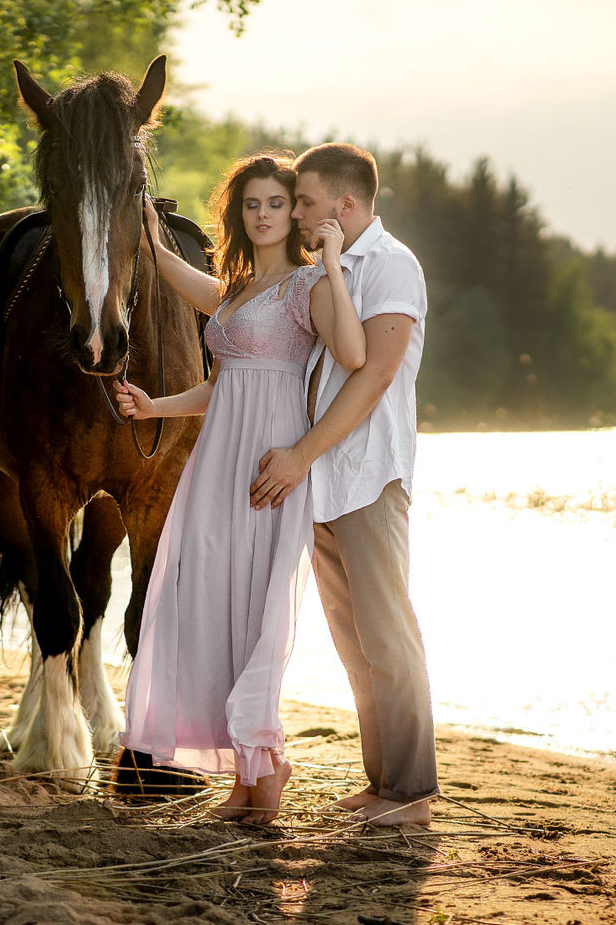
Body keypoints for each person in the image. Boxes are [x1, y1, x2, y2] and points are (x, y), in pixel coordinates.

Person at [115, 153, 365, 824]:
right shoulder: (235, 291)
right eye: (250, 204)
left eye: (274, 204)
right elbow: (220, 382)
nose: (261, 214)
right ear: (239, 213)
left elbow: (352, 353)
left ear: (293, 213)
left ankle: (267, 765)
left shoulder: (307, 287)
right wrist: (151, 405)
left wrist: (334, 261)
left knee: (258, 615)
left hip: (269, 469)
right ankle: (244, 778)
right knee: (205, 601)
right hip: (216, 467)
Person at [247, 142, 436, 828]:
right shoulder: (328, 270)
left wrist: (299, 454)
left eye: (303, 200)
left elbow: (375, 372)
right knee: (354, 640)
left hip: (368, 476)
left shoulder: (391, 266)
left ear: (345, 205)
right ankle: (381, 780)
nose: (294, 212)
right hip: (324, 482)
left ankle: (411, 792)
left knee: (388, 634)